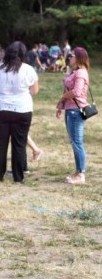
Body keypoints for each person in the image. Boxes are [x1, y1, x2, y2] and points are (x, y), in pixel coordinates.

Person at [0, 41, 39, 183]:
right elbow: (34, 91)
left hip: (0, 109)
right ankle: (18, 177)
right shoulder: (29, 70)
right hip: (22, 109)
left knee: (0, 144)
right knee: (19, 144)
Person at [56, 47, 91, 184]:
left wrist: (62, 97)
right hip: (70, 110)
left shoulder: (81, 73)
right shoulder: (74, 72)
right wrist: (61, 105)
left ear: (78, 57)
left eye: (71, 56)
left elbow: (76, 92)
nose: (69, 58)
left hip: (76, 111)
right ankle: (78, 171)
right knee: (74, 142)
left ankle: (80, 174)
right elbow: (68, 89)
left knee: (77, 143)